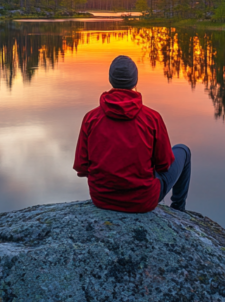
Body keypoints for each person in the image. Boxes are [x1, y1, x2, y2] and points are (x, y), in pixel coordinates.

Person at [74, 55, 191, 213]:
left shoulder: (90, 118)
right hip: (143, 201)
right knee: (183, 151)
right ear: (135, 81)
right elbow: (164, 165)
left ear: (110, 79)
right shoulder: (152, 118)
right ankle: (178, 210)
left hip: (101, 199)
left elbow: (82, 168)